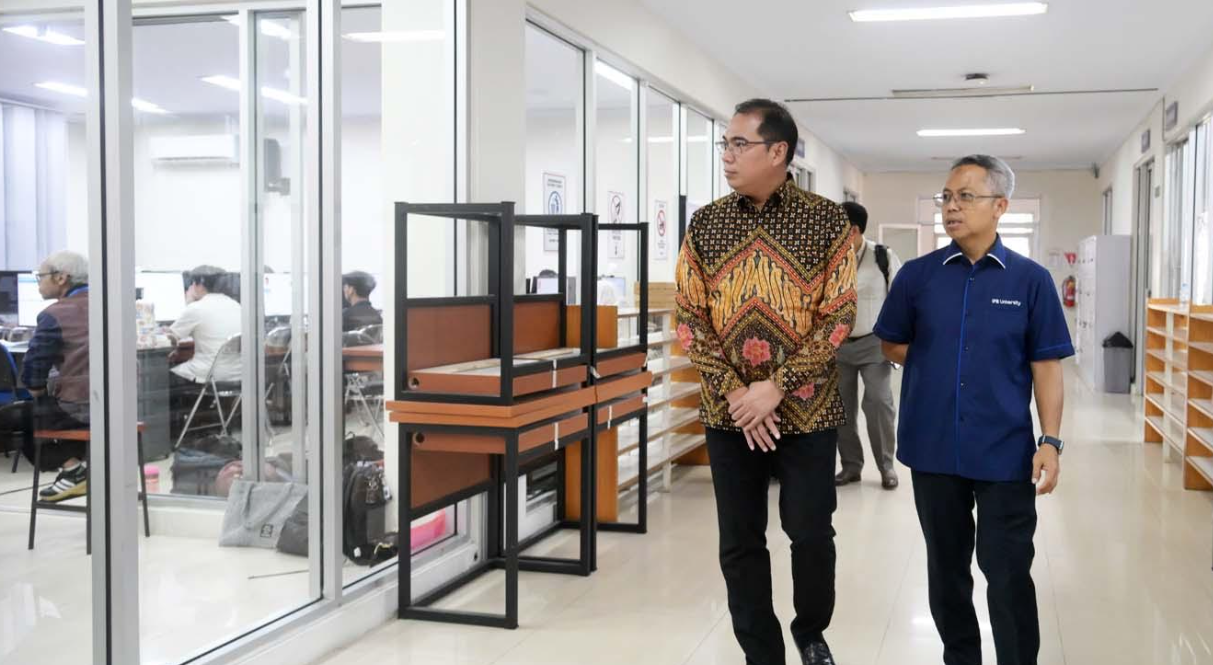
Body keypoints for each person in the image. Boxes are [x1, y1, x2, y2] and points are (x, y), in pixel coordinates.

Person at [675, 98, 856, 665]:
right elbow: (688, 316)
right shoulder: (706, 223)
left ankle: (810, 630)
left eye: (739, 144)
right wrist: (738, 393)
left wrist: (775, 387)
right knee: (740, 540)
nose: (726, 156)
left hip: (807, 408)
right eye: (724, 144)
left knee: (810, 531)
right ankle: (762, 652)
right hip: (729, 413)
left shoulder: (827, 221)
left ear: (778, 152)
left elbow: (839, 316)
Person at [874, 155, 1071, 665]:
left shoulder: (1030, 281)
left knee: (1007, 572)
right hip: (932, 447)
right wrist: (936, 359)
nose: (952, 207)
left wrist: (1050, 441)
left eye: (966, 196)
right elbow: (891, 342)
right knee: (946, 572)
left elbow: (1047, 365)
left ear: (1000, 206)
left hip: (1004, 450)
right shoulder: (917, 276)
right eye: (946, 197)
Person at [0, 251, 91, 502]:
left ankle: (73, 469)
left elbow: (33, 375)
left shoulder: (54, 314)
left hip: (82, 408)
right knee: (48, 410)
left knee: (20, 415)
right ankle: (79, 470)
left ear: (61, 278)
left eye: (40, 276)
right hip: (120, 407)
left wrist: (40, 393)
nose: (38, 282)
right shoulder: (110, 303)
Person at [834, 201, 902, 490]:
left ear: (853, 230)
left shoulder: (882, 257)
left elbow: (900, 299)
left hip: (875, 343)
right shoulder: (828, 258)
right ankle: (851, 466)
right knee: (841, 408)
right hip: (837, 345)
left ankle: (887, 467)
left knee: (878, 402)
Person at [168, 265, 242, 388]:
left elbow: (170, 338)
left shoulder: (196, 308)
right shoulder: (237, 306)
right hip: (237, 375)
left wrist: (188, 303)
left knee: (165, 375)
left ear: (199, 285)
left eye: (192, 283)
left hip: (209, 375)